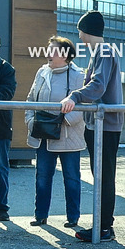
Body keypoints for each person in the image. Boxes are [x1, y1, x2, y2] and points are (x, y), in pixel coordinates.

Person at [59, 11, 123, 242]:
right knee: (102, 176)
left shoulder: (104, 52)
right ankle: (104, 226)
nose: (80, 37)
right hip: (99, 125)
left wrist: (74, 96)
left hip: (105, 125)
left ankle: (104, 228)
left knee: (104, 177)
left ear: (85, 32)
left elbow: (98, 86)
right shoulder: (101, 52)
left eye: (80, 32)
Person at [25, 36, 86, 227]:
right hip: (43, 136)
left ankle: (73, 218)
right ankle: (40, 215)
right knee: (42, 177)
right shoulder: (42, 72)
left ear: (66, 55)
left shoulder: (78, 75)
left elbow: (84, 105)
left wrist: (64, 121)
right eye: (48, 49)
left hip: (68, 136)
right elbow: (30, 100)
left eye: (53, 50)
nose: (48, 54)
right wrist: (30, 121)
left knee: (72, 178)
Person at [0, 36, 16, 222]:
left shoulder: (6, 69)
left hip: (0, 128)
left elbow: (7, 93)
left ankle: (1, 208)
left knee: (0, 168)